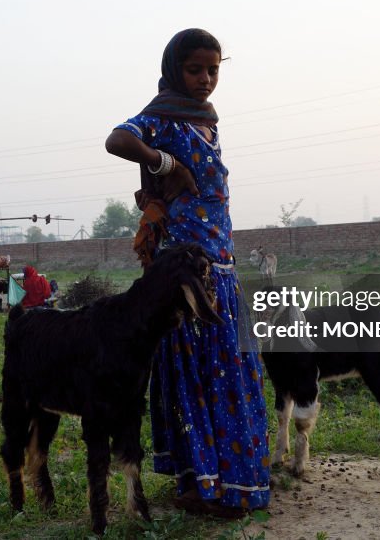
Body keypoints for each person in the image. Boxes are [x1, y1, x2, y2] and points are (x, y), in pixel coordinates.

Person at [105, 28, 270, 516]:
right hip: (187, 271)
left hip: (222, 266)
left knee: (230, 371)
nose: (204, 79)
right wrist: (161, 161)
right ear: (176, 69)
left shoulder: (208, 124)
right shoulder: (162, 117)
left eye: (213, 70)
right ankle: (202, 484)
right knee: (196, 375)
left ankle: (226, 480)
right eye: (195, 69)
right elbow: (117, 140)